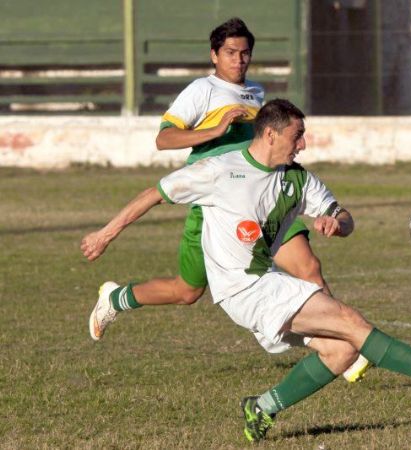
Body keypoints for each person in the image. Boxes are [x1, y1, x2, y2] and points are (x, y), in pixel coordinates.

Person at [81, 99, 411, 442]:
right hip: (244, 287)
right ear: (270, 135)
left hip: (265, 284)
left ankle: (262, 407)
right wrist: (105, 234)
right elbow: (155, 193)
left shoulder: (297, 179)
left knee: (340, 351)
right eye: (297, 135)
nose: (303, 143)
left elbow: (342, 215)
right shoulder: (221, 170)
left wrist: (337, 222)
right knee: (348, 320)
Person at [88, 17, 370, 381]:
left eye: (245, 53)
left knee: (308, 266)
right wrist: (216, 129)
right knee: (187, 291)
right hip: (216, 206)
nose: (239, 60)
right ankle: (116, 298)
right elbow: (164, 139)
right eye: (230, 53)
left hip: (264, 199)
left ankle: (340, 342)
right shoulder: (201, 90)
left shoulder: (256, 91)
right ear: (214, 55)